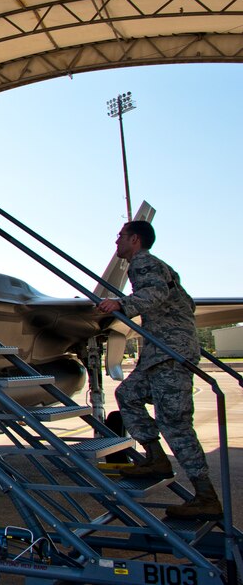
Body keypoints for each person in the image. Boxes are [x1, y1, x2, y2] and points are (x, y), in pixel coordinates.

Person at [96, 220, 221, 520]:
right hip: (160, 354)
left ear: (135, 240)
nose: (117, 242)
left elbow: (154, 295)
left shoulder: (143, 263)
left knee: (175, 424)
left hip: (169, 355)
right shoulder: (156, 265)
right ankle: (155, 458)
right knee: (128, 393)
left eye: (121, 237)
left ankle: (206, 497)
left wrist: (120, 305)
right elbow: (186, 303)